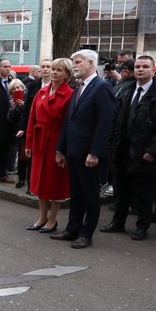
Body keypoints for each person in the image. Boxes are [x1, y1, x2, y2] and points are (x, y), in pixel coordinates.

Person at [99, 55, 156, 241]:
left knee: (144, 192)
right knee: (121, 189)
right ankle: (118, 221)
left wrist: (152, 151)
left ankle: (142, 226)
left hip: (145, 151)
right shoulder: (125, 90)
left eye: (145, 66)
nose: (141, 69)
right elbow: (115, 120)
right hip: (123, 149)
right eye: (138, 66)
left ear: (153, 70)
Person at [52, 49, 116, 249]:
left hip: (89, 154)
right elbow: (69, 122)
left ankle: (86, 234)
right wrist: (61, 149)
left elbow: (105, 123)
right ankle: (73, 229)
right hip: (73, 151)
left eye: (77, 61)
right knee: (76, 194)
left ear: (90, 63)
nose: (74, 65)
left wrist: (95, 152)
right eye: (73, 61)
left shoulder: (102, 87)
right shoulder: (79, 87)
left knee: (90, 195)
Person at [24, 58, 74, 233]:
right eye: (53, 69)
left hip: (56, 142)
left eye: (59, 70)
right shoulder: (42, 92)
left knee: (54, 182)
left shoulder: (70, 95)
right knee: (39, 181)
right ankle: (41, 217)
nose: (54, 72)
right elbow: (32, 118)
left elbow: (69, 124)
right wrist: (29, 142)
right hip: (39, 140)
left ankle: (52, 220)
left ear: (67, 74)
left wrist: (63, 149)